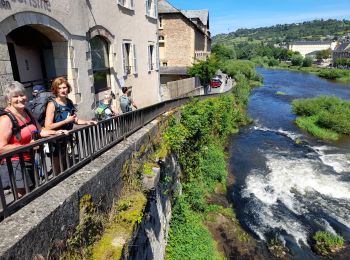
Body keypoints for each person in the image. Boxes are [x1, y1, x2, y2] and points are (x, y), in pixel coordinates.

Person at [0, 81, 67, 196]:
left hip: (29, 158)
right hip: (15, 163)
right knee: (24, 197)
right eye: (15, 96)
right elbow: (1, 147)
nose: (20, 99)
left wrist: (56, 132)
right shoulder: (6, 119)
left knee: (33, 192)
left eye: (22, 95)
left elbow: (40, 130)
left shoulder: (26, 112)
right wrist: (28, 146)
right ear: (9, 99)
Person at [44, 77, 97, 173]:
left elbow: (74, 119)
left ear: (68, 88)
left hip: (66, 137)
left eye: (64, 87)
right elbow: (48, 126)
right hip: (55, 139)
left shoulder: (69, 102)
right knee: (58, 165)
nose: (62, 90)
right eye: (59, 88)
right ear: (55, 90)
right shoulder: (52, 104)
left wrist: (87, 122)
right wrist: (66, 121)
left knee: (65, 162)